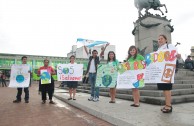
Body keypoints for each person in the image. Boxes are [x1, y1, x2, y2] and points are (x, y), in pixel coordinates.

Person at [157, 34, 177, 113]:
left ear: (166, 40)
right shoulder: (158, 49)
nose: (160, 40)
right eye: (158, 39)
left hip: (167, 70)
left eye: (161, 38)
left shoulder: (170, 46)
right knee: (164, 89)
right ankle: (167, 104)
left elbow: (175, 54)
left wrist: (177, 55)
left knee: (167, 88)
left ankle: (169, 106)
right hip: (160, 71)